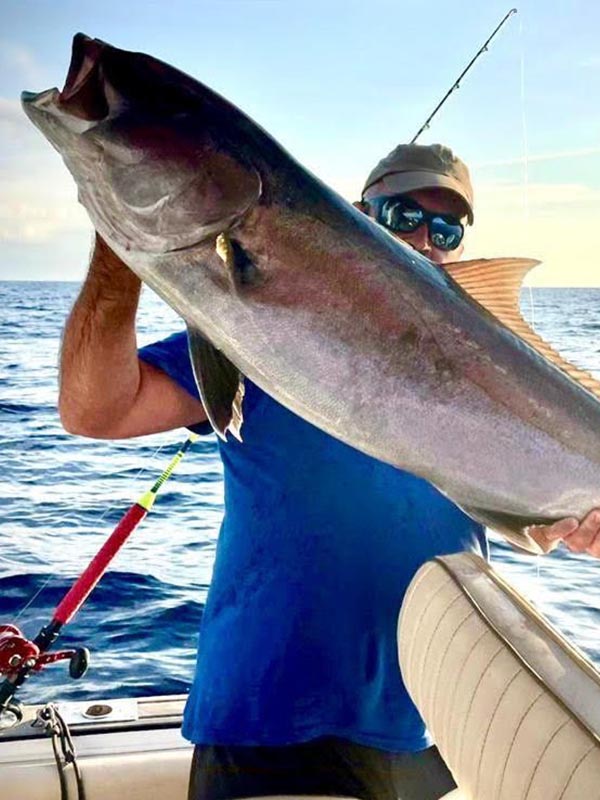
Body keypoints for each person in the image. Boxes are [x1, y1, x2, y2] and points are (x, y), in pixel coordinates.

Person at [58, 143, 600, 800]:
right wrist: (121, 251)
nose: (425, 240)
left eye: (447, 228)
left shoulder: (500, 374)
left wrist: (573, 526)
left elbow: (542, 522)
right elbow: (96, 411)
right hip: (267, 715)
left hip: (432, 720)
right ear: (359, 213)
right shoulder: (257, 321)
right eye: (402, 214)